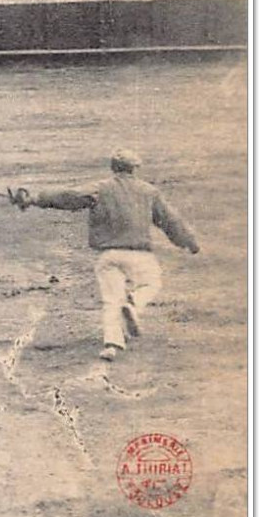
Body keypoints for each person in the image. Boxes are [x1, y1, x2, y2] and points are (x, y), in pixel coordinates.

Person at [13, 150, 199, 361]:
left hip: (108, 256)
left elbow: (68, 197)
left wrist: (34, 199)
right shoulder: (149, 192)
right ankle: (134, 303)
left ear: (113, 167)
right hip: (139, 255)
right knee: (151, 283)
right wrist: (189, 243)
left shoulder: (99, 189)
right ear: (135, 168)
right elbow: (171, 221)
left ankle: (111, 344)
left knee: (111, 300)